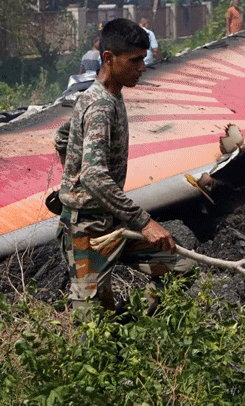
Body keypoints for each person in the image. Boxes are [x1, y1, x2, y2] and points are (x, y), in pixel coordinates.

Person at [54, 18, 193, 311]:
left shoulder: (104, 96)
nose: (142, 67)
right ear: (109, 58)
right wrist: (144, 221)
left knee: (180, 266)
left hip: (113, 220)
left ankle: (130, 327)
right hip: (88, 229)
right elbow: (93, 174)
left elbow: (62, 137)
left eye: (143, 59)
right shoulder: (100, 106)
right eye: (135, 60)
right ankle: (115, 336)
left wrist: (70, 177)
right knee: (89, 323)